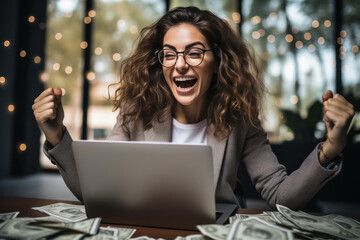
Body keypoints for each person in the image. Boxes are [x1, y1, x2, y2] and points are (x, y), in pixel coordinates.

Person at [32, 6, 354, 210]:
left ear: (218, 62)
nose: (180, 65)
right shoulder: (137, 111)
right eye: (169, 54)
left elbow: (283, 196)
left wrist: (332, 147)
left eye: (195, 53)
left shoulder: (241, 120)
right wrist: (57, 135)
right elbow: (97, 189)